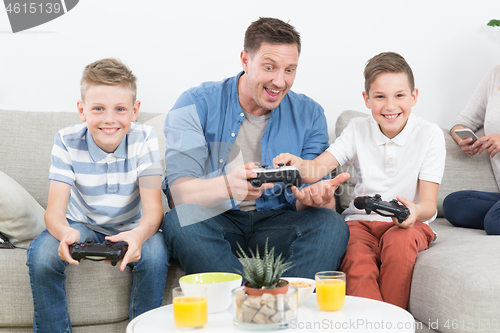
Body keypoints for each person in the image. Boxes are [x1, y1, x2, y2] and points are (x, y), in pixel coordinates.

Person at [162, 17, 350, 280]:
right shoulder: (195, 104)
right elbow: (179, 195)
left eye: (289, 70)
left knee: (332, 224)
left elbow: (313, 199)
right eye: (270, 67)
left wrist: (321, 199)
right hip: (217, 220)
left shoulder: (310, 114)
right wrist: (228, 187)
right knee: (179, 221)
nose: (280, 81)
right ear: (245, 60)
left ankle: (285, 303)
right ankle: (248, 300)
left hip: (279, 223)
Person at [274, 52, 446, 309]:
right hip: (361, 224)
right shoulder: (356, 129)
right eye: (380, 97)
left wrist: (415, 210)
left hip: (408, 224)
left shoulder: (430, 135)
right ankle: (370, 323)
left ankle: (392, 322)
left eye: (399, 95)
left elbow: (429, 206)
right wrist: (299, 165)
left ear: (414, 96)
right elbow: (317, 168)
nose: (390, 106)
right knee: (356, 261)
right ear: (366, 99)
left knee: (400, 244)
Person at [27, 58, 169, 332]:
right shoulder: (66, 140)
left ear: (134, 110)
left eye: (120, 109)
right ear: (82, 110)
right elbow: (54, 211)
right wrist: (65, 233)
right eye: (98, 109)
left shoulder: (145, 138)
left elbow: (153, 211)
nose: (109, 119)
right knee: (42, 255)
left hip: (133, 225)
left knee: (156, 255)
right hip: (83, 224)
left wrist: (138, 236)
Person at [442, 65, 500, 235]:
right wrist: (461, 137)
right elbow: (464, 120)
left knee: (494, 222)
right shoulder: (495, 75)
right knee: (453, 204)